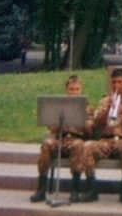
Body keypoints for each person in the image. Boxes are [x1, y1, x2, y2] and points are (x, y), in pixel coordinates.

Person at [76, 68, 122, 204]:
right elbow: (96, 124)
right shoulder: (104, 100)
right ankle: (91, 189)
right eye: (114, 82)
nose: (116, 85)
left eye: (120, 82)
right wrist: (107, 110)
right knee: (87, 146)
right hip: (106, 140)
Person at [31, 74, 91, 203]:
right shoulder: (58, 106)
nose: (74, 92)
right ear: (66, 90)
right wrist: (51, 121)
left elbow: (90, 131)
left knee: (78, 145)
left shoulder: (87, 107)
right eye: (71, 89)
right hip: (60, 138)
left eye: (77, 89)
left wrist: (83, 122)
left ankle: (75, 189)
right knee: (46, 144)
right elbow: (52, 129)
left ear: (81, 90)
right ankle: (41, 189)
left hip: (76, 139)